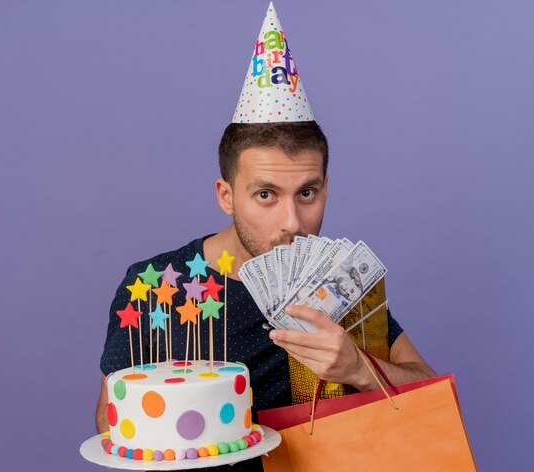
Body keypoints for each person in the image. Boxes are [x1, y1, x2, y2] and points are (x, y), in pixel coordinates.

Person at [96, 5, 435, 470]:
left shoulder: (341, 286)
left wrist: (358, 368)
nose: (292, 222)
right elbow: (110, 423)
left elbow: (424, 390)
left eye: (307, 192)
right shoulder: (157, 285)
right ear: (226, 195)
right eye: (265, 195)